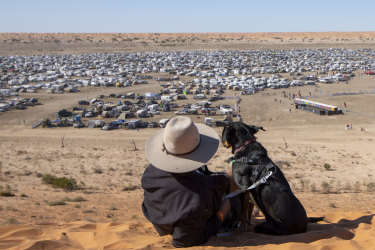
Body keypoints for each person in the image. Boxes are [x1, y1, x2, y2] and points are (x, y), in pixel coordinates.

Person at [141, 116, 241, 247]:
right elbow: (184, 241)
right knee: (234, 195)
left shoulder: (151, 172)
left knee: (228, 179)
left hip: (161, 216)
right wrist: (221, 214)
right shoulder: (195, 199)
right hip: (188, 220)